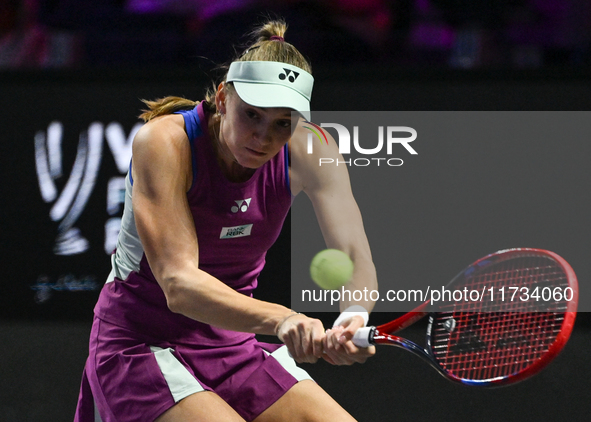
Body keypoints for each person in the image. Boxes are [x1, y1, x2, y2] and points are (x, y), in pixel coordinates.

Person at [74, 19, 378, 422]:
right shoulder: (165, 143)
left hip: (231, 345)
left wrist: (353, 314)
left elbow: (354, 251)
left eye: (281, 124)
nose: (263, 137)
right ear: (222, 97)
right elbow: (179, 285)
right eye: (251, 115)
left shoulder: (312, 150)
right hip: (141, 343)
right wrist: (283, 319)